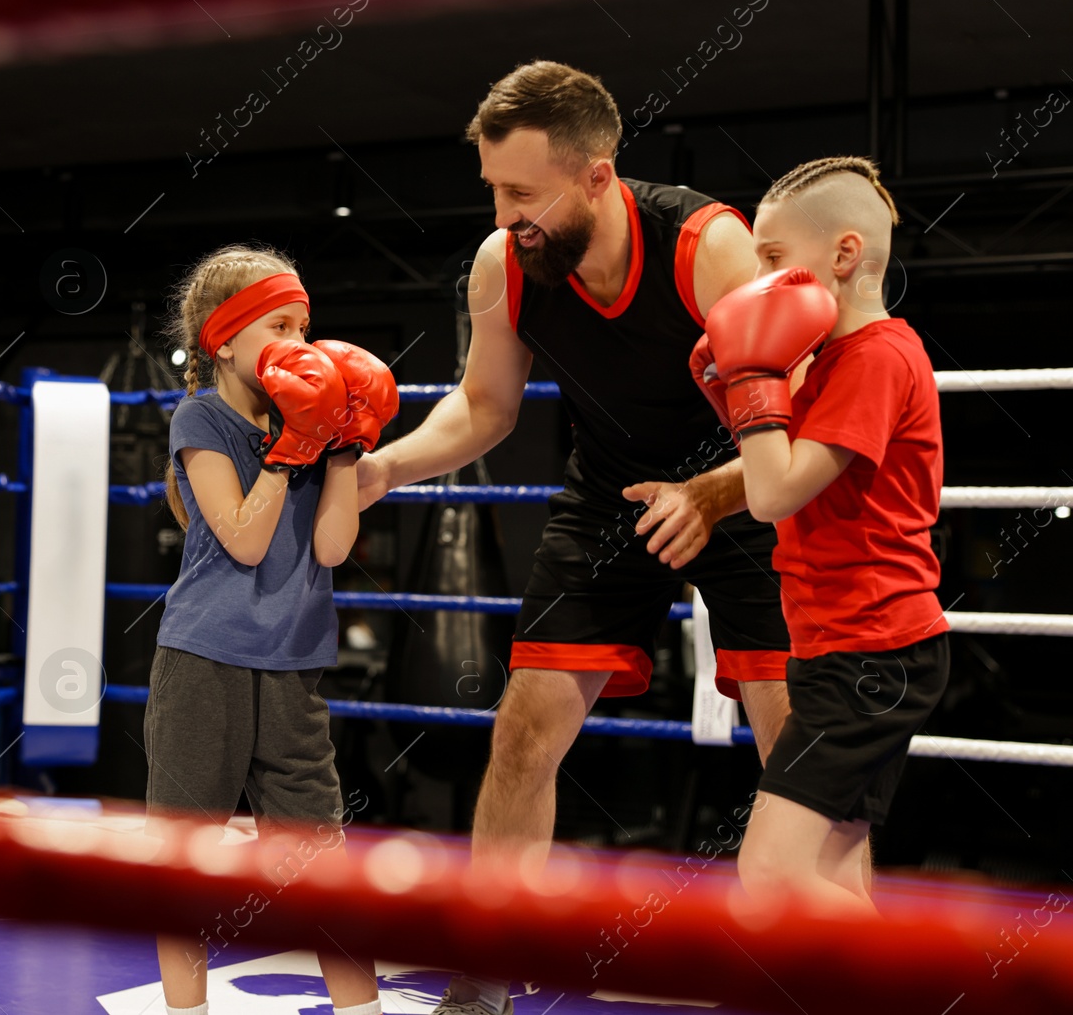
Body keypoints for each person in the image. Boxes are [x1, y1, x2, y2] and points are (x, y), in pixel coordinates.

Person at [352, 60, 818, 1015]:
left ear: (599, 174)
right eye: (492, 188)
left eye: (522, 193)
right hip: (611, 492)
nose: (502, 214)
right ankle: (487, 966)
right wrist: (385, 468)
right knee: (523, 728)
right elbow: (484, 408)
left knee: (797, 743)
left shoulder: (705, 246)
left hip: (745, 487)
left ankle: (818, 967)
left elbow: (807, 408)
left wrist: (717, 493)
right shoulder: (504, 265)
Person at [691, 157, 948, 916]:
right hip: (839, 645)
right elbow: (784, 468)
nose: (756, 277)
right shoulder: (833, 360)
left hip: (872, 652)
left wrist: (748, 377)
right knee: (831, 878)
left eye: (772, 257)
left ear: (842, 255)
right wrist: (734, 389)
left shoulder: (874, 357)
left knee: (769, 875)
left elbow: (769, 494)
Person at [148, 244, 398, 1015]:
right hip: (204, 663)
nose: (300, 341)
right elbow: (246, 539)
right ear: (225, 340)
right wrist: (294, 447)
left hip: (294, 666)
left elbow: (331, 547)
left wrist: (345, 444)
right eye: (278, 324)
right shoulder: (202, 417)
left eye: (305, 324)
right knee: (187, 859)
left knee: (321, 862)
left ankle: (362, 1011)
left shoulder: (314, 418)